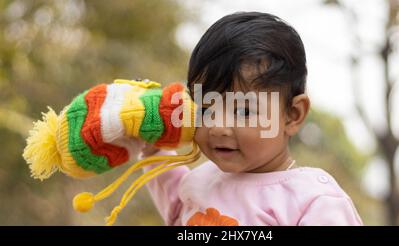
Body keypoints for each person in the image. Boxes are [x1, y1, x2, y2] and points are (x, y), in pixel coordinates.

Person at [142, 11, 363, 226]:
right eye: (205, 110)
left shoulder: (311, 200)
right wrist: (152, 146)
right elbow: (175, 204)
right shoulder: (200, 182)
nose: (218, 127)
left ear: (293, 115)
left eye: (243, 112)